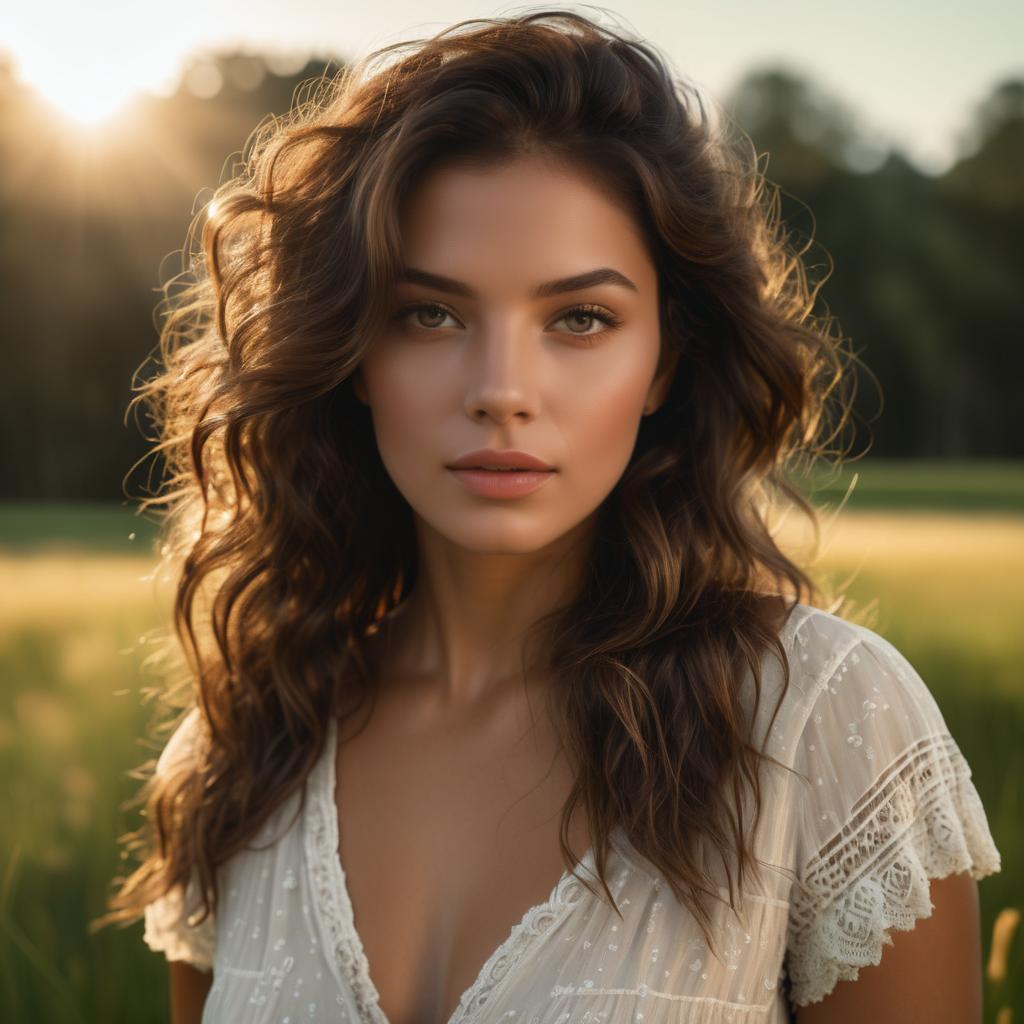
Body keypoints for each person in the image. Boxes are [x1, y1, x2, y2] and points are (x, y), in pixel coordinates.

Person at [94, 8, 1002, 1023]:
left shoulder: (822, 722)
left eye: (579, 318)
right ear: (352, 353)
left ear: (662, 361)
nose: (501, 389)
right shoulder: (243, 749)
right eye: (429, 313)